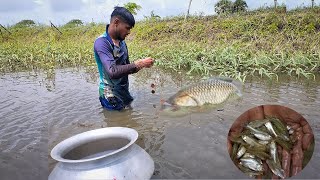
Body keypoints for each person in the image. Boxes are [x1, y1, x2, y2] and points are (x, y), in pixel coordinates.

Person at [94, 7, 154, 111]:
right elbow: (112, 72)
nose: (129, 32)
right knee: (117, 122)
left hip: (123, 91)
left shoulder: (122, 43)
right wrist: (139, 63)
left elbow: (128, 68)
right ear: (116, 22)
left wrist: (142, 64)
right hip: (110, 95)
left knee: (129, 116)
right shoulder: (102, 43)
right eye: (127, 28)